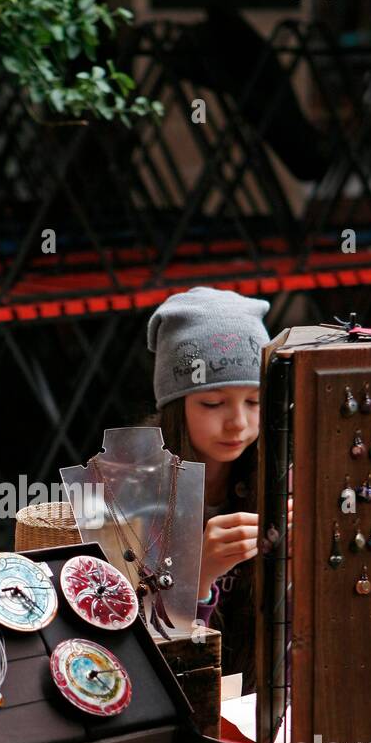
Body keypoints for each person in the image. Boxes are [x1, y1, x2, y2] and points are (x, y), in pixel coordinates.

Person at [147, 286, 274, 694]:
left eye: (255, 402)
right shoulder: (131, 490)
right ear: (175, 407)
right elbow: (129, 645)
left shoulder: (278, 475)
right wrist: (196, 578)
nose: (238, 423)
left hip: (261, 709)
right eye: (214, 403)